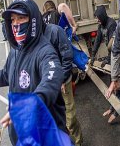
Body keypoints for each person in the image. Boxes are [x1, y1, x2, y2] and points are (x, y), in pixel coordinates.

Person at [0, 0, 67, 145]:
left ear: (33, 21)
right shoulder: (16, 51)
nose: (16, 24)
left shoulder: (45, 51)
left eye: (21, 18)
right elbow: (6, 75)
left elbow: (52, 77)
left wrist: (30, 104)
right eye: (13, 19)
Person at [43, 12, 84, 145]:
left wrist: (61, 78)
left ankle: (78, 141)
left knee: (70, 118)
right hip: (49, 84)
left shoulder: (56, 32)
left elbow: (67, 57)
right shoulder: (36, 36)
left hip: (63, 81)